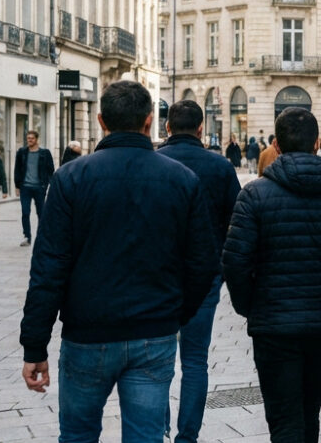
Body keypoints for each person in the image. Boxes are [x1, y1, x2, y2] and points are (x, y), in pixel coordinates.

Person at [19, 80, 217, 442]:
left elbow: (48, 267)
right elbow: (203, 263)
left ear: (100, 121)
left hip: (87, 333)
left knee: (78, 435)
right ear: (148, 122)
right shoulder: (181, 179)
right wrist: (175, 313)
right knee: (145, 437)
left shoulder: (70, 178)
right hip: (152, 332)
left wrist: (35, 344)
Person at [222, 107, 321, 443]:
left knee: (284, 418)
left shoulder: (254, 195)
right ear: (318, 143)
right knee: (309, 410)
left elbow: (234, 262)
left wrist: (252, 306)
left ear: (276, 145)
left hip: (274, 325)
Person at [158, 101, 243, 443]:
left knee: (158, 360)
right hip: (204, 275)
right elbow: (237, 222)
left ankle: (157, 426)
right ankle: (187, 436)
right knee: (195, 361)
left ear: (166, 127)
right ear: (200, 128)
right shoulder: (220, 167)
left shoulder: (154, 162)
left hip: (157, 276)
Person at [13, 131, 55, 247]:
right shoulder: (22, 152)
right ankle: (27, 236)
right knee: (25, 212)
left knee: (41, 213)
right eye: (28, 138)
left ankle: (41, 237)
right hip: (25, 187)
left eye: (31, 138)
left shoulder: (45, 153)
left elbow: (51, 170)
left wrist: (50, 186)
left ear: (37, 139)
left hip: (39, 188)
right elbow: (17, 169)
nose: (29, 140)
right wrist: (17, 186)